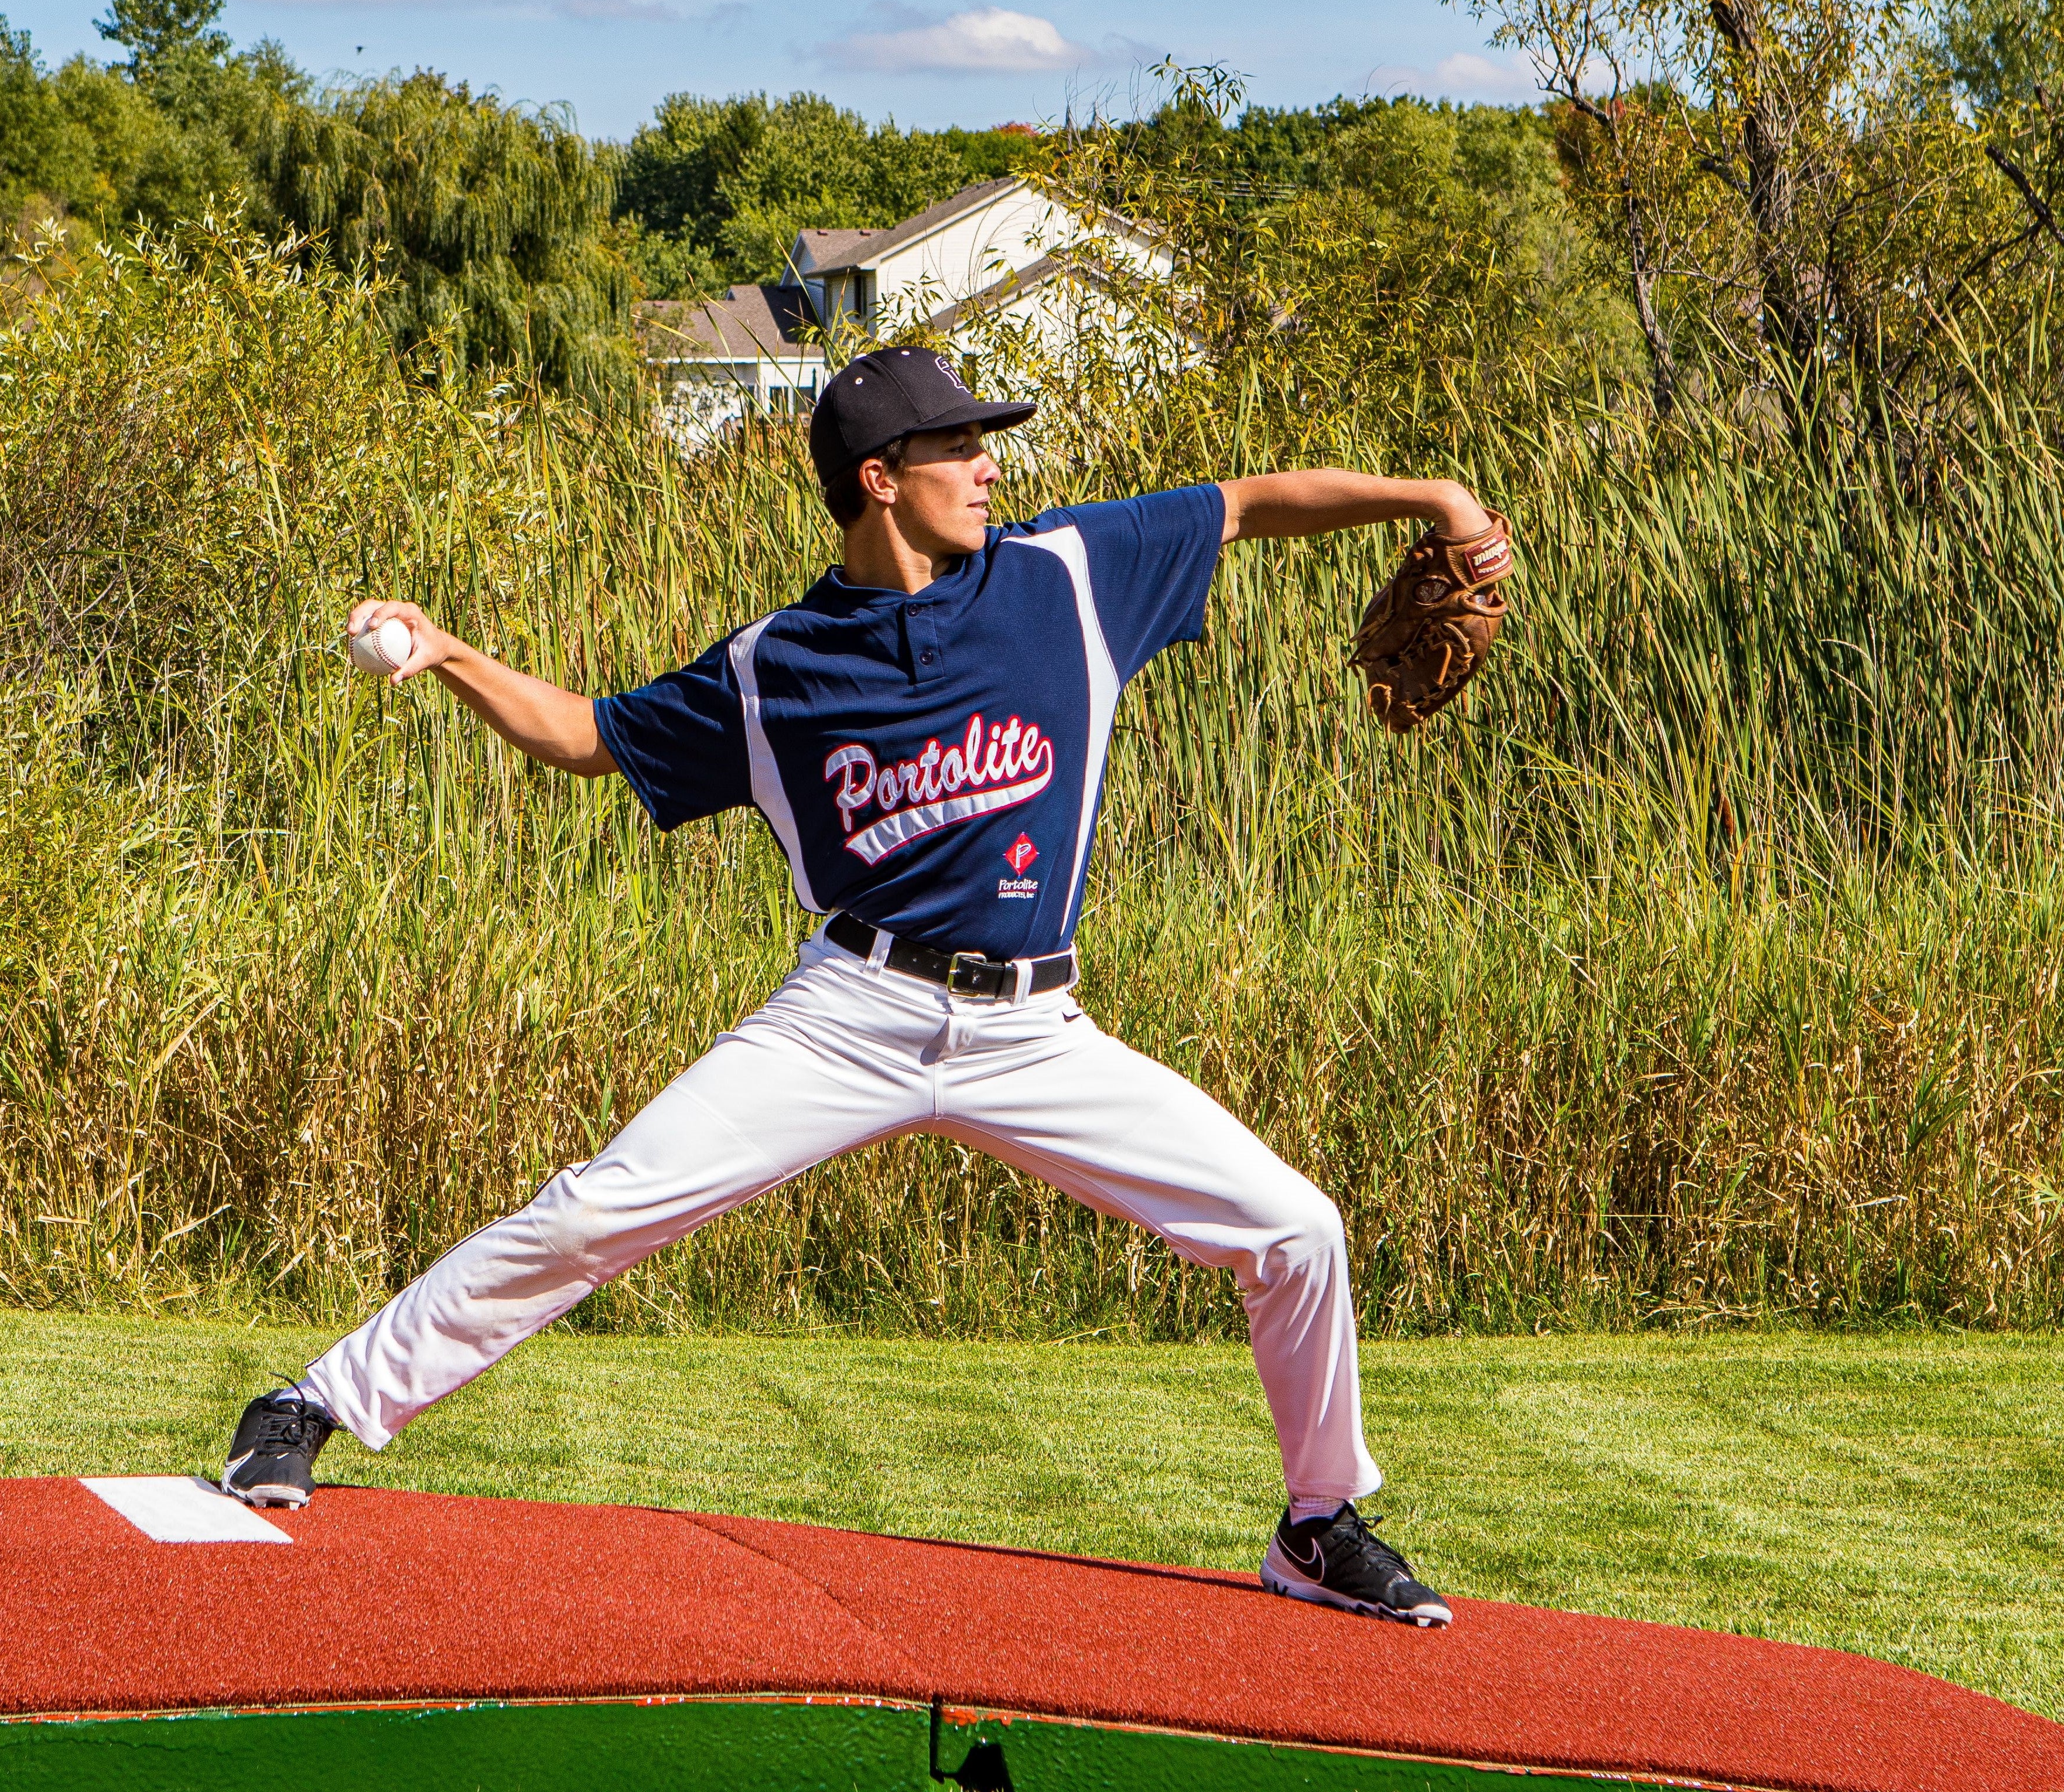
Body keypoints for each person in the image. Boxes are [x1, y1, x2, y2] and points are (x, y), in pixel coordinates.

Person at [223, 346, 1508, 1625]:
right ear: (882, 480)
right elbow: (582, 737)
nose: (988, 463)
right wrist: (446, 650)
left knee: (1295, 1229)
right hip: (851, 1017)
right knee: (597, 1210)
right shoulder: (774, 666)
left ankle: (1317, 1521)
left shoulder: (1066, 578)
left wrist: (1435, 498)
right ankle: (313, 1402)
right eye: (960, 446)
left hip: (1035, 1031)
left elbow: (1248, 499)